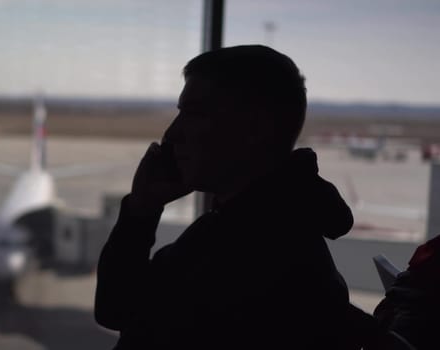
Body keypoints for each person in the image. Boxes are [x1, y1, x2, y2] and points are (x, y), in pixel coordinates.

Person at [94, 45, 365, 349]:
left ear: (255, 129)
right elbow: (118, 311)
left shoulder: (253, 257)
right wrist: (142, 209)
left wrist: (140, 214)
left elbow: (119, 312)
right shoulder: (245, 226)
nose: (171, 134)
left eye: (194, 114)